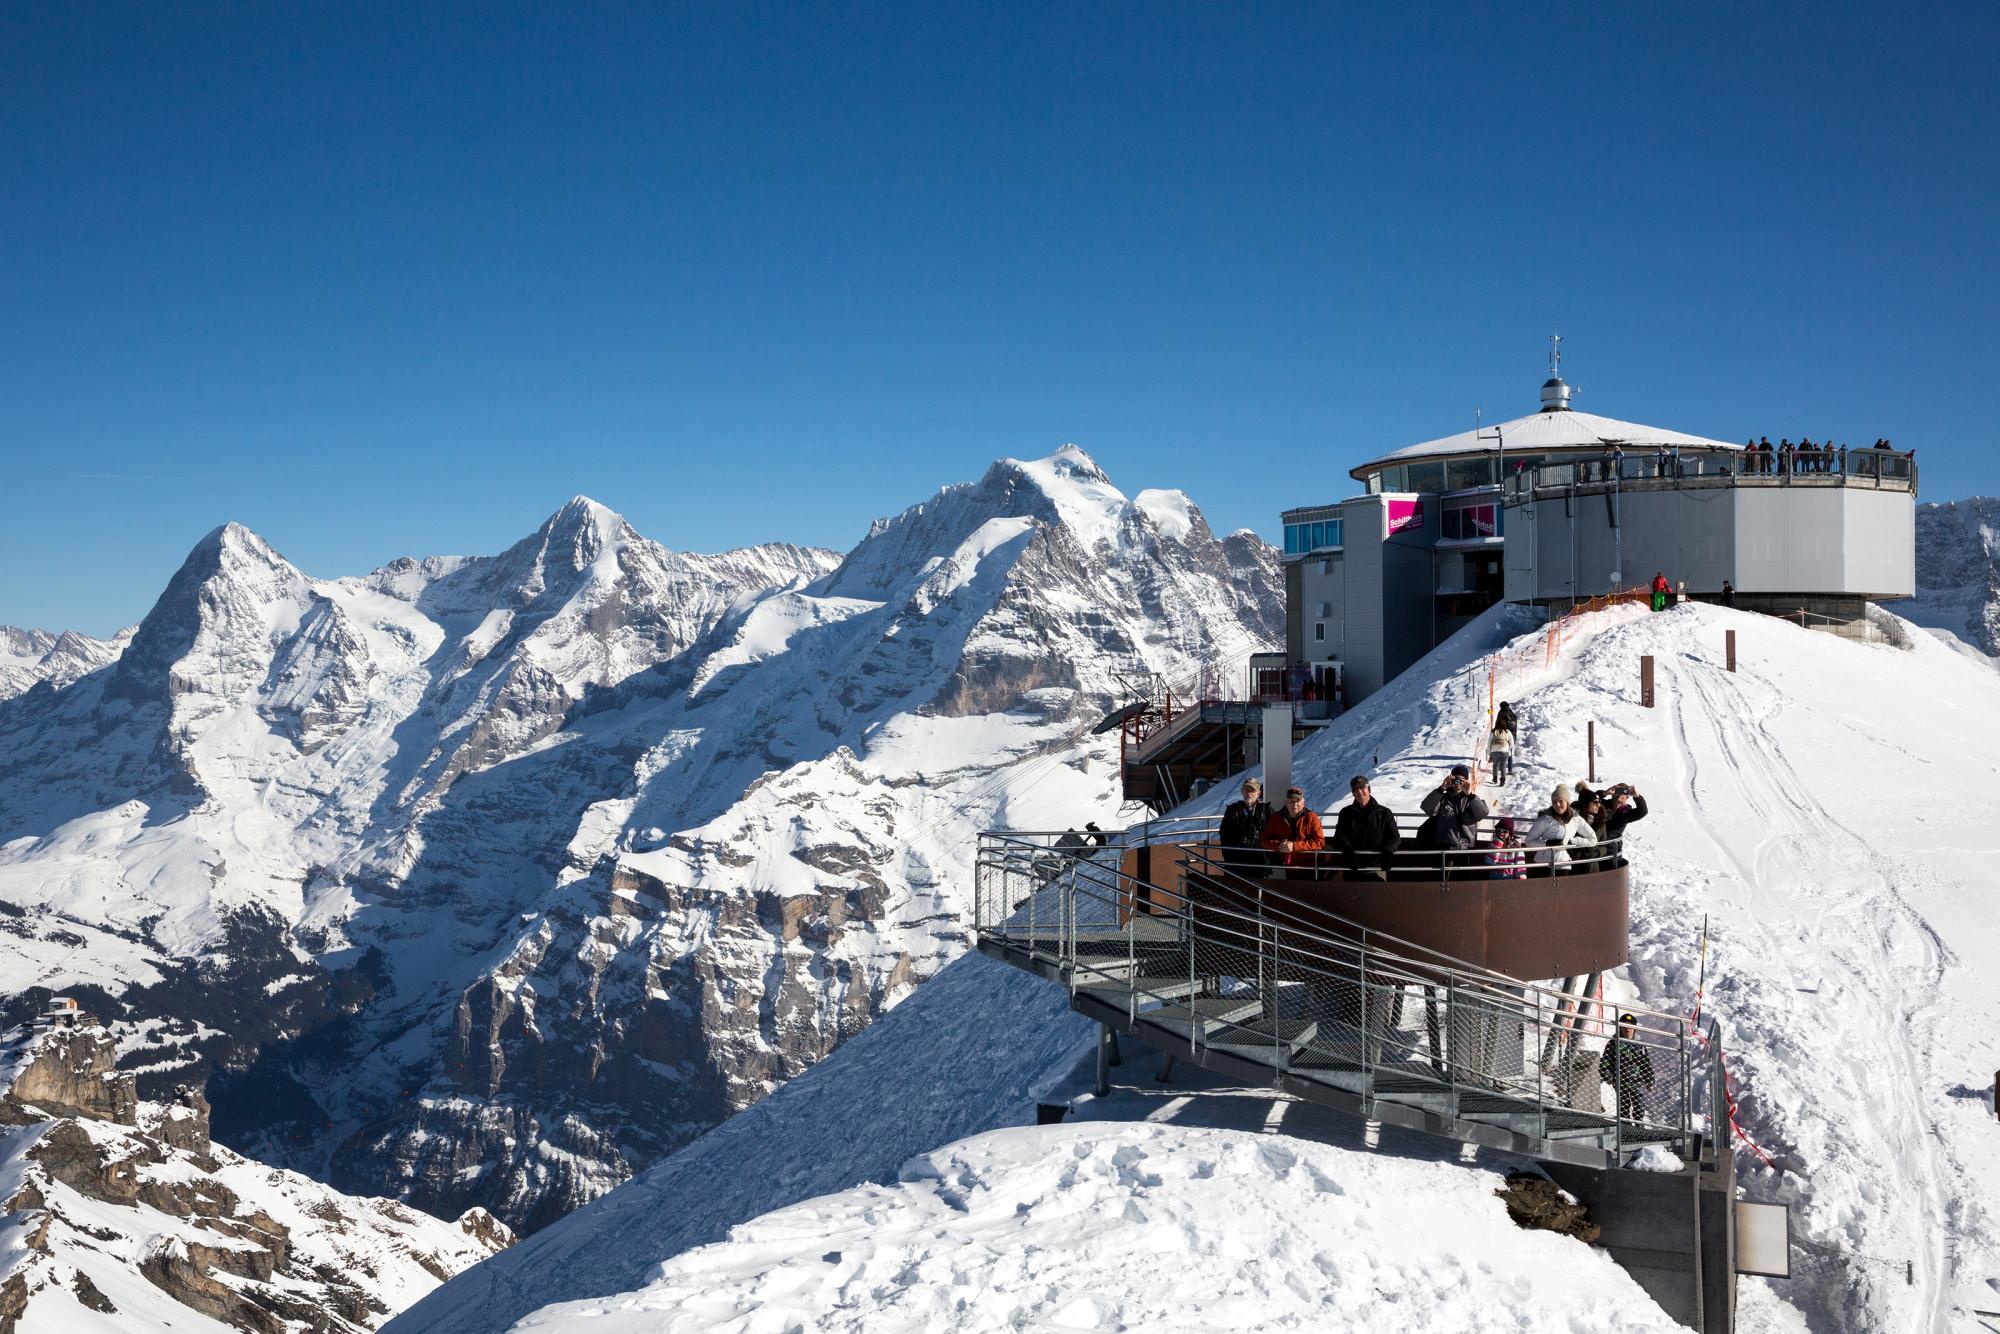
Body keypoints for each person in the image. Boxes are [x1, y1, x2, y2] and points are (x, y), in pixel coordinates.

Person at [1417, 764, 1489, 865]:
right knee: (1445, 877)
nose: (1458, 782)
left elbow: (1482, 813)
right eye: (1456, 778)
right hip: (1445, 847)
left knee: (1462, 879)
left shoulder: (1471, 800)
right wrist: (1442, 788)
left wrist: (1470, 795)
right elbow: (1427, 808)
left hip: (1466, 848)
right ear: (1451, 779)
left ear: (1467, 781)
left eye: (1462, 780)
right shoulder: (1442, 798)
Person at [1330, 775, 1399, 880]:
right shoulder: (1346, 813)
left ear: (1369, 789)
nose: (1359, 792)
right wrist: (1348, 850)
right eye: (1355, 789)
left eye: (1362, 788)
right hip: (1353, 866)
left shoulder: (1384, 813)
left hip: (1376, 866)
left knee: (1377, 894)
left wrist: (1387, 851)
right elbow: (1339, 837)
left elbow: (1394, 837)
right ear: (1353, 793)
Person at [1599, 1013, 1657, 1122]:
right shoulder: (1613, 1043)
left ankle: (1639, 1126)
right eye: (1624, 1026)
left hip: (1637, 1081)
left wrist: (1650, 1081)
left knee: (1639, 1106)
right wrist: (1608, 1076)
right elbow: (1605, 1062)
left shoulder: (1639, 1045)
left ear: (1634, 1029)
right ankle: (1625, 1128)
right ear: (1620, 1027)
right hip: (1620, 1081)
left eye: (1630, 1027)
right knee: (1624, 1107)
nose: (1627, 1029)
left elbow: (1645, 1063)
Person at [1525, 785, 1595, 872]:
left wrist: (1574, 842)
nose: (1557, 805)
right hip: (1543, 864)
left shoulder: (1576, 819)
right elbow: (1529, 841)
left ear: (1567, 802)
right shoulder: (1545, 818)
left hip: (1564, 865)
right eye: (1554, 802)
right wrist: (1547, 844)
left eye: (1561, 801)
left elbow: (1593, 839)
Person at [1262, 786, 1326, 874]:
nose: (1295, 804)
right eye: (1291, 801)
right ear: (1285, 802)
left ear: (1303, 802)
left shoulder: (1312, 817)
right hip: (1289, 866)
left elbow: (1319, 842)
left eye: (1298, 801)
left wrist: (1294, 846)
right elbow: (1264, 840)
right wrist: (1280, 846)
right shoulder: (1276, 818)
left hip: (1311, 867)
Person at [1219, 779, 1273, 877]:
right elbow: (1224, 834)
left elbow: (1273, 834)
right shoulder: (1232, 810)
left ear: (1258, 793)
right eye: (1246, 789)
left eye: (1252, 790)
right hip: (1236, 863)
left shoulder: (1267, 811)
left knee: (1258, 890)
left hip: (1259, 864)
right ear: (1242, 791)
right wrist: (1229, 856)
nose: (1248, 793)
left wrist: (1267, 858)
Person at [1487, 720, 1514, 786]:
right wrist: (1508, 749)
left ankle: (1495, 779)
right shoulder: (1508, 732)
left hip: (1494, 751)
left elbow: (1489, 743)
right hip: (1504, 752)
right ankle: (1502, 781)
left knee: (1495, 765)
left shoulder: (1493, 731)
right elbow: (1512, 743)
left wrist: (1489, 753)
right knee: (1503, 767)